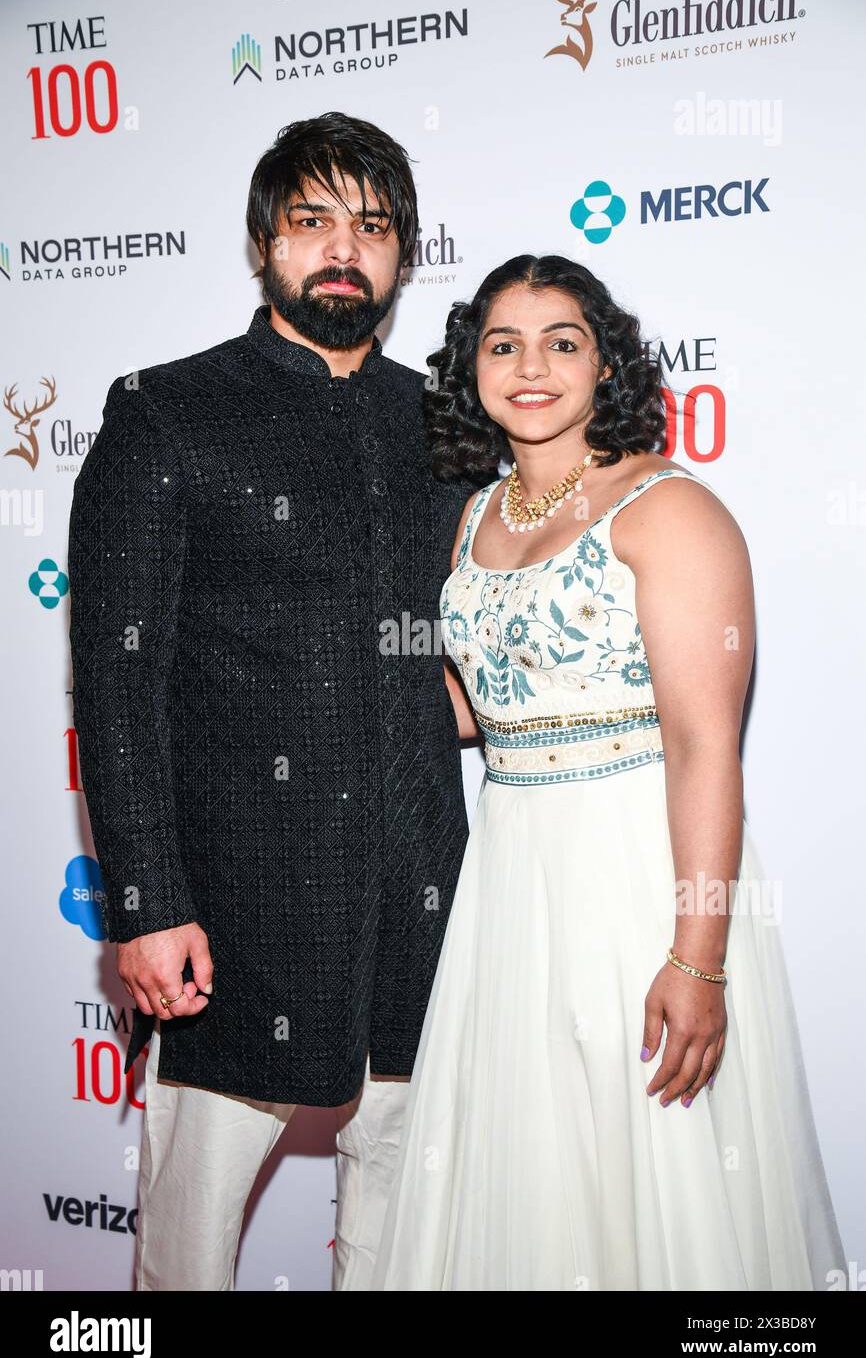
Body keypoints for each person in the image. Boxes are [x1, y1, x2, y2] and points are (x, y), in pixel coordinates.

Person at [369, 254, 849, 1290]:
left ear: (605, 363)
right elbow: (486, 704)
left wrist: (699, 955)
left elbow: (703, 744)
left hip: (633, 870)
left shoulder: (667, 508)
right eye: (502, 344)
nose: (529, 365)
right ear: (470, 367)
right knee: (531, 1171)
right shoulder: (473, 517)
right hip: (507, 878)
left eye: (560, 341)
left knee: (654, 1170)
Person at [66, 112, 475, 1291]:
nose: (343, 248)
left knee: (403, 1230)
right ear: (263, 243)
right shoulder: (166, 410)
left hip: (420, 895)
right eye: (312, 222)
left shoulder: (444, 426)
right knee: (185, 1247)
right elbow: (120, 681)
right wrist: (145, 903)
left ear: (401, 255)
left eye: (373, 226)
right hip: (233, 915)